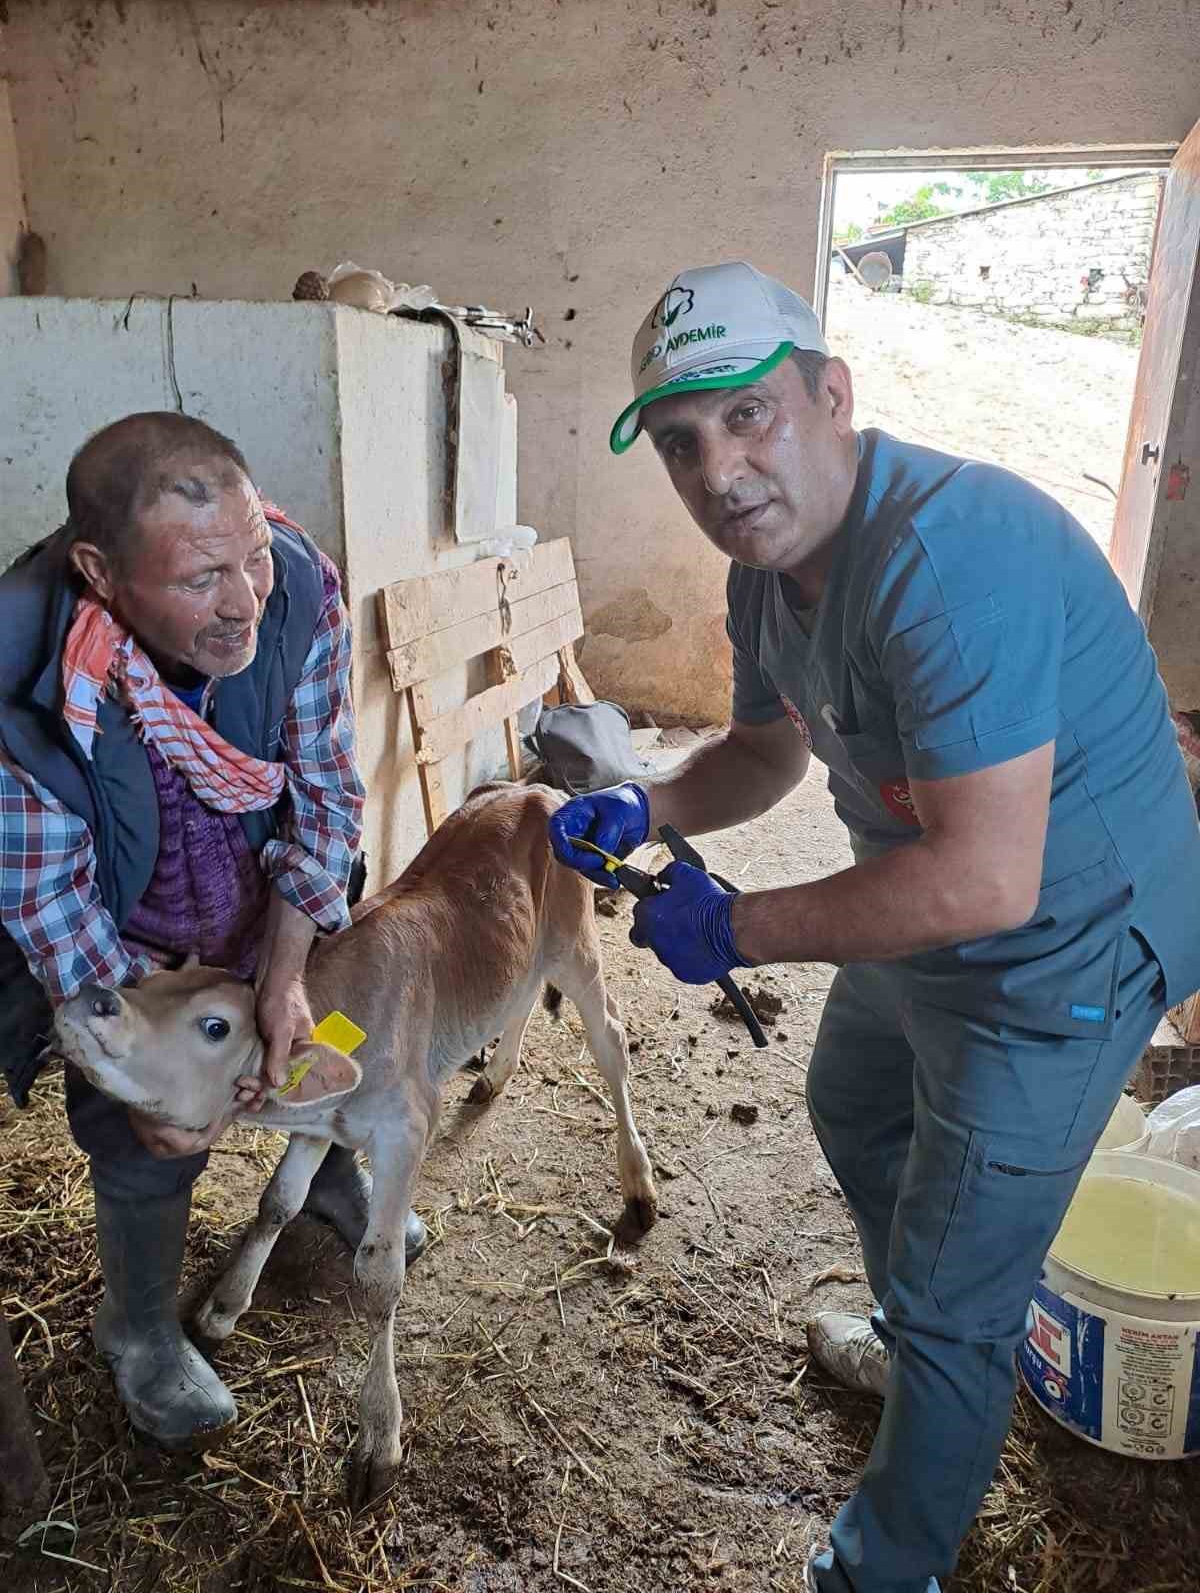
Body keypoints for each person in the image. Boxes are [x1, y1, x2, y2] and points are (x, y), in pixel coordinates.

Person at [549, 262, 1200, 1592]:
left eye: (751, 419)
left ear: (831, 397)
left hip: (1064, 942)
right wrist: (648, 802)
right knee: (854, 1101)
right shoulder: (767, 572)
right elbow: (762, 755)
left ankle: (882, 1561)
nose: (719, 470)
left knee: (972, 1306)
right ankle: (914, 1338)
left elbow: (985, 883)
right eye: (682, 443)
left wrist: (738, 929)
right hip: (933, 903)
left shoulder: (952, 559)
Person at [0, 413, 425, 1451]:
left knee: (304, 1034)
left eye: (251, 557)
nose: (242, 604)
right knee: (150, 1131)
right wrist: (139, 1067)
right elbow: (53, 905)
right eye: (200, 580)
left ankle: (319, 1164)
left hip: (258, 892)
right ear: (101, 571)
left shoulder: (299, 590)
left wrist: (283, 971)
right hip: (121, 925)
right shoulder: (21, 680)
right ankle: (140, 1325)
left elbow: (324, 792)